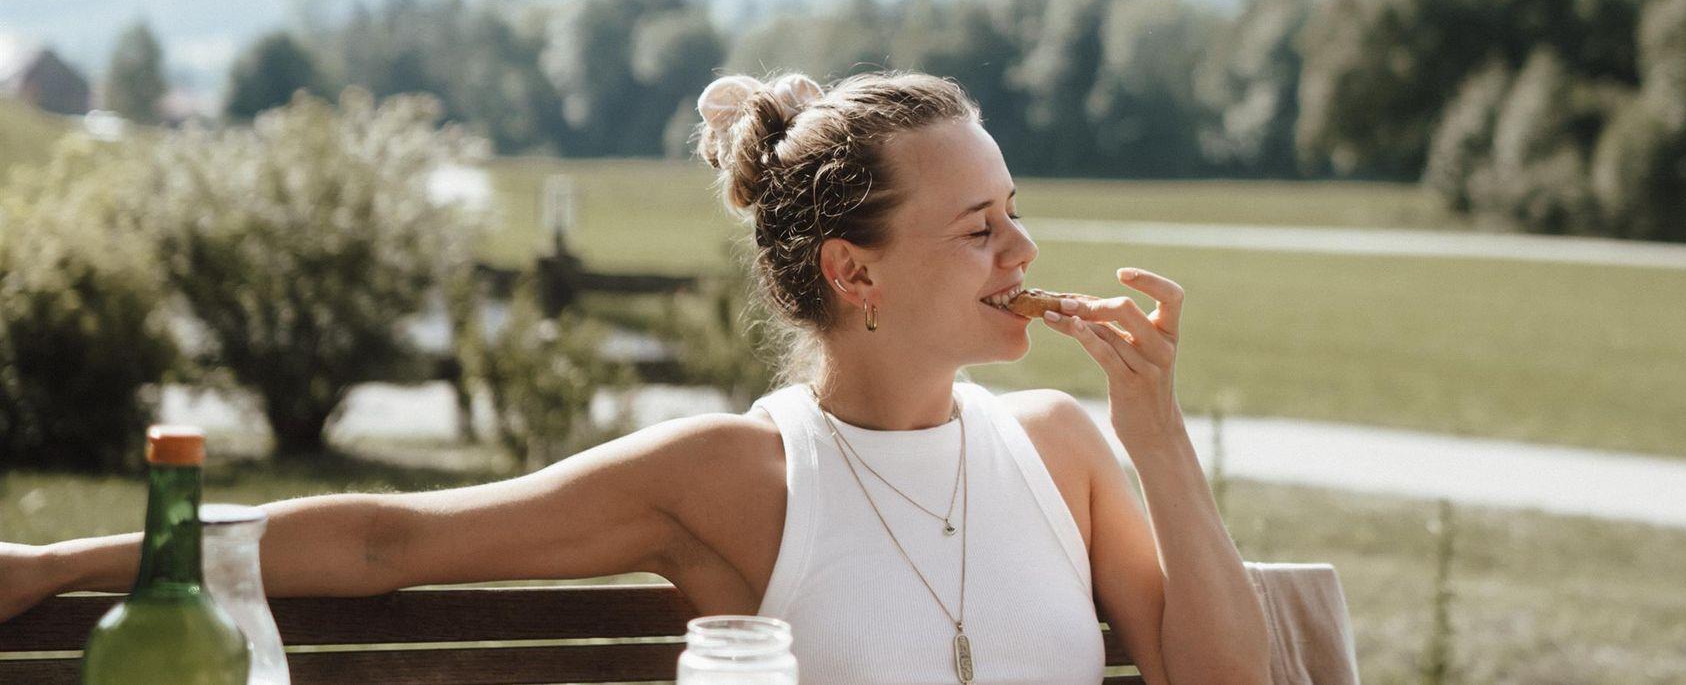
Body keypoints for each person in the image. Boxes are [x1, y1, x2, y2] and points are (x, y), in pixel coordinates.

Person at [0, 70, 1272, 685]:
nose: (1023, 249)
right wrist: (57, 564)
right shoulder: (733, 476)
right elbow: (395, 538)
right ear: (854, 269)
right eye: (979, 225)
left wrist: (1155, 433)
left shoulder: (1058, 444)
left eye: (1015, 210)